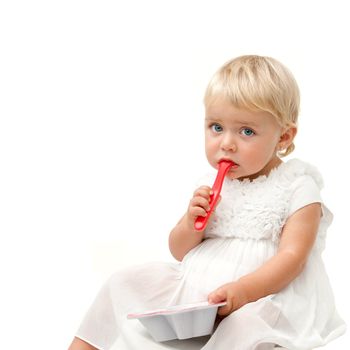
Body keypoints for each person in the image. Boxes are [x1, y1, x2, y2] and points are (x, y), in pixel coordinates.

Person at [68, 55, 346, 350]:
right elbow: (179, 251)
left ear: (283, 136)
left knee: (245, 327)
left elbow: (293, 259)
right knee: (123, 282)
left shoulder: (298, 186)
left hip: (264, 299)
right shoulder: (212, 184)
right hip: (198, 292)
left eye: (246, 131)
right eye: (216, 127)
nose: (226, 143)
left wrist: (243, 291)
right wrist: (191, 223)